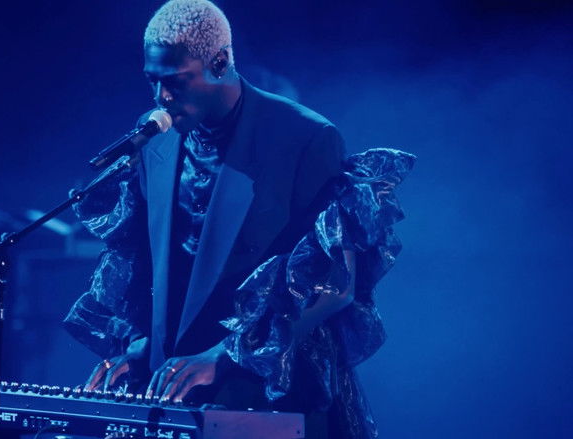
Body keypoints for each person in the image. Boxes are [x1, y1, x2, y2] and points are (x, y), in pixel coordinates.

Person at [64, 1, 415, 437]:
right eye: (153, 80)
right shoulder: (155, 136)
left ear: (219, 62)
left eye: (175, 81)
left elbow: (336, 286)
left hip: (266, 392)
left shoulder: (304, 136)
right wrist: (139, 347)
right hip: (173, 386)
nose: (161, 97)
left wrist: (226, 355)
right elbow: (155, 268)